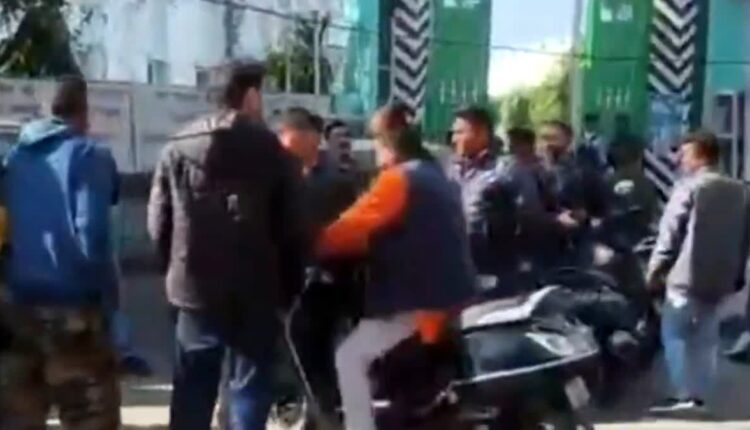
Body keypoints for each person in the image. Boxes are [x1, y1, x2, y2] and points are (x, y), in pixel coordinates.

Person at [148, 62, 305, 430]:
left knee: (192, 387)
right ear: (250, 96)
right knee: (250, 388)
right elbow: (292, 228)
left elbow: (158, 224)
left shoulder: (177, 147)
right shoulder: (273, 151)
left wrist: (173, 277)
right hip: (256, 290)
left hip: (194, 290)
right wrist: (289, 290)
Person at [317, 105, 475, 430]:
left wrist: (310, 245)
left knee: (349, 357)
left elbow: (349, 228)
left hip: (419, 299)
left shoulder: (399, 179)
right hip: (450, 293)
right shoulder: (435, 174)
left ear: (386, 141)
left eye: (375, 141)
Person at [1, 75, 121, 428]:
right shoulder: (89, 154)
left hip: (18, 313)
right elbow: (93, 236)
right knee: (89, 416)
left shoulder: (15, 159)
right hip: (74, 315)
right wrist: (109, 306)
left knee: (19, 418)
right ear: (84, 112)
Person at [647, 131, 750, 416]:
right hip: (720, 280)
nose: (680, 159)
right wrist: (738, 274)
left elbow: (670, 235)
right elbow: (745, 238)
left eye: (684, 153)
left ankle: (684, 394)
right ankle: (701, 396)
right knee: (706, 338)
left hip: (684, 277)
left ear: (700, 154)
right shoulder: (740, 190)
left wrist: (655, 270)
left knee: (674, 334)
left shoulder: (689, 188)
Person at [277, 107, 359, 414]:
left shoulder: (337, 182)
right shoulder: (278, 178)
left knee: (317, 355)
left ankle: (322, 412)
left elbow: (351, 235)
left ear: (311, 140)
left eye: (292, 145)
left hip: (325, 284)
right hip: (286, 281)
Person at [447, 106, 518, 290]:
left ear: (481, 133)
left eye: (460, 132)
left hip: (491, 272)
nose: (454, 139)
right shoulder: (449, 170)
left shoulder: (505, 171)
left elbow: (526, 216)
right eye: (454, 133)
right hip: (454, 269)